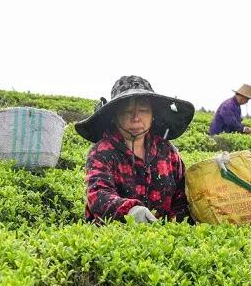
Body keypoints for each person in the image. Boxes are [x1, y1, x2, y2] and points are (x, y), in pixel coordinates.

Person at [74, 75, 195, 223]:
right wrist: (130, 210)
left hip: (163, 240)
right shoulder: (102, 152)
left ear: (153, 115)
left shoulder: (167, 152)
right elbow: (98, 194)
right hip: (115, 238)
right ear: (115, 116)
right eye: (127, 111)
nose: (136, 117)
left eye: (143, 110)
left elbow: (182, 199)